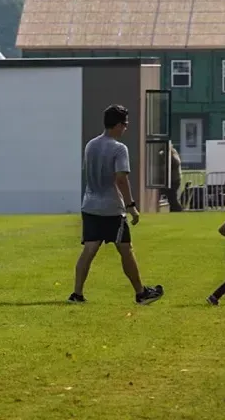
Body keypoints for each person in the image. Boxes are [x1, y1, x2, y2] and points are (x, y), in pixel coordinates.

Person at [69, 104, 164, 306]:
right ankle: (141, 293)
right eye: (125, 125)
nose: (126, 129)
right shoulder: (119, 148)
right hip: (111, 207)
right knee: (126, 249)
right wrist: (131, 205)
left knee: (89, 250)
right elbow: (121, 179)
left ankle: (77, 293)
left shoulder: (90, 145)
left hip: (90, 204)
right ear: (119, 124)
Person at [162, 145, 183, 212]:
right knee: (172, 197)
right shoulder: (174, 153)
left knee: (172, 197)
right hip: (175, 179)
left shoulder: (172, 155)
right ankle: (174, 210)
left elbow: (173, 165)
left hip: (174, 179)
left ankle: (179, 210)